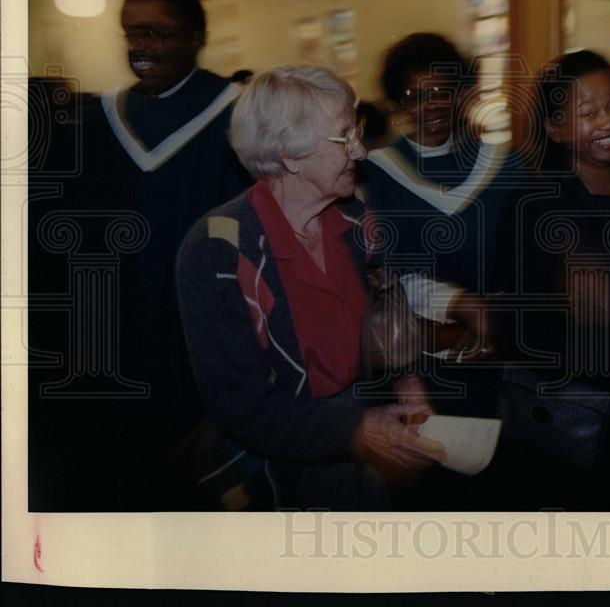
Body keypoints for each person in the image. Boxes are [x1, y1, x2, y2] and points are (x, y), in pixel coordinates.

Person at [175, 66, 444, 510]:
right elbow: (240, 402)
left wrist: (410, 387)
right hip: (277, 464)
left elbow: (389, 308)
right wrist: (355, 432)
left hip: (364, 434)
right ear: (289, 155)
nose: (361, 149)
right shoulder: (216, 248)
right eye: (344, 137)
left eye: (356, 130)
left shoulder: (357, 219)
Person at [29, 0, 251, 510]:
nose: (144, 48)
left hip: (196, 351)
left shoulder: (240, 117)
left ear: (197, 36)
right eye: (133, 33)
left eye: (161, 33)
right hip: (107, 354)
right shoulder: (95, 124)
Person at [490, 50, 610, 510]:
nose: (607, 120)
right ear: (555, 129)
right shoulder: (535, 207)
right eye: (587, 112)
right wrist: (579, 317)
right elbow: (512, 331)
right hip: (577, 422)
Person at [361, 33, 527, 416]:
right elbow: (379, 269)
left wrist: (502, 321)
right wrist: (460, 305)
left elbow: (527, 259)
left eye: (442, 91)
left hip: (504, 350)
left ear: (462, 93)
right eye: (413, 97)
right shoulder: (377, 173)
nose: (428, 106)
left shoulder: (506, 165)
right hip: (418, 361)